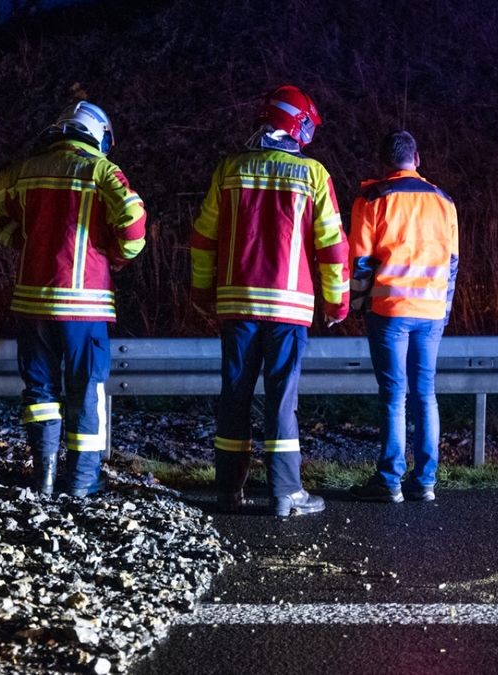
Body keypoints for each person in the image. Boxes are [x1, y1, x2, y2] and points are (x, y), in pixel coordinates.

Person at [0, 101, 147, 497]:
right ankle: (83, 481)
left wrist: (17, 238)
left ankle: (44, 478)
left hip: (32, 302)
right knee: (86, 387)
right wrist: (115, 255)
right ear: (98, 135)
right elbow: (134, 225)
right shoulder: (101, 170)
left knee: (40, 391)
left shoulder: (25, 170)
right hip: (85, 306)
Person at [190, 85, 349, 518]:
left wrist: (203, 292)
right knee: (282, 398)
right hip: (288, 308)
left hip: (235, 304)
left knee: (234, 395)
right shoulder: (313, 174)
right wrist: (337, 303)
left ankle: (228, 490)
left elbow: (204, 237)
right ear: (297, 126)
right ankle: (285, 492)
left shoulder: (229, 170)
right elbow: (332, 245)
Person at [348, 130, 459, 503]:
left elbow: (361, 261)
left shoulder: (372, 198)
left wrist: (358, 306)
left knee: (394, 395)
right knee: (425, 394)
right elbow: (453, 263)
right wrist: (443, 310)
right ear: (418, 158)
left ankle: (389, 480)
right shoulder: (444, 201)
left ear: (384, 161)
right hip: (430, 312)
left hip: (389, 309)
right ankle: (426, 480)